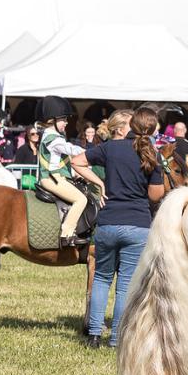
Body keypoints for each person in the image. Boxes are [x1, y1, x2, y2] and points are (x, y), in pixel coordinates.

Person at [73, 108, 164, 348]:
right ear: (153, 130)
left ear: (131, 125)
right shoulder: (152, 154)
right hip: (138, 225)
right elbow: (156, 195)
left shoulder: (111, 147)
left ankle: (93, 335)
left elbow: (76, 161)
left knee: (102, 278)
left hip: (109, 221)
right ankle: (116, 338)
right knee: (125, 283)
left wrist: (100, 183)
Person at [35, 96, 105, 247]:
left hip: (58, 177)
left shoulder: (52, 135)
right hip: (52, 179)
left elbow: (63, 162)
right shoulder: (53, 139)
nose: (67, 123)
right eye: (64, 119)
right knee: (81, 200)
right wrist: (92, 154)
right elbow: (71, 149)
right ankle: (66, 235)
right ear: (52, 120)